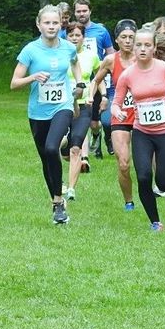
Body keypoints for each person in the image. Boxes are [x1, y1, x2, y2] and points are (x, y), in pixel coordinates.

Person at [112, 27, 165, 231]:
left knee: (164, 183)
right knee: (143, 176)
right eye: (138, 45)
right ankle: (155, 222)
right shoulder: (127, 75)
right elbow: (116, 102)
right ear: (133, 47)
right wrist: (118, 111)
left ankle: (164, 186)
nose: (142, 49)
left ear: (154, 47)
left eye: (147, 45)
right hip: (142, 132)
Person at [11, 4, 84, 224]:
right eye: (47, 23)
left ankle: (59, 200)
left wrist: (79, 83)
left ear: (60, 24)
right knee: (46, 157)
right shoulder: (30, 50)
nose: (52, 27)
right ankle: (56, 203)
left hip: (62, 105)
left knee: (53, 147)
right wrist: (33, 77)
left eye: (55, 23)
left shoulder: (68, 47)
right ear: (39, 24)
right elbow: (14, 83)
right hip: (38, 112)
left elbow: (75, 63)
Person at [90, 19, 138, 211]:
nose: (128, 41)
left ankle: (156, 188)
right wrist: (91, 98)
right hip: (121, 115)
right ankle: (129, 201)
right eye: (124, 37)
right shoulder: (111, 60)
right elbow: (96, 80)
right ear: (116, 40)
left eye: (131, 37)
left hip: (143, 116)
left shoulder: (144, 58)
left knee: (147, 165)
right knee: (124, 163)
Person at [62, 21, 102, 199]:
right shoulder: (60, 55)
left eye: (78, 35)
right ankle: (59, 180)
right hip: (62, 105)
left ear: (83, 38)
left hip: (85, 104)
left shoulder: (91, 56)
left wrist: (103, 96)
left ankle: (71, 188)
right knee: (61, 146)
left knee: (76, 146)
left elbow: (99, 77)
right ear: (66, 37)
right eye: (71, 35)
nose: (75, 38)